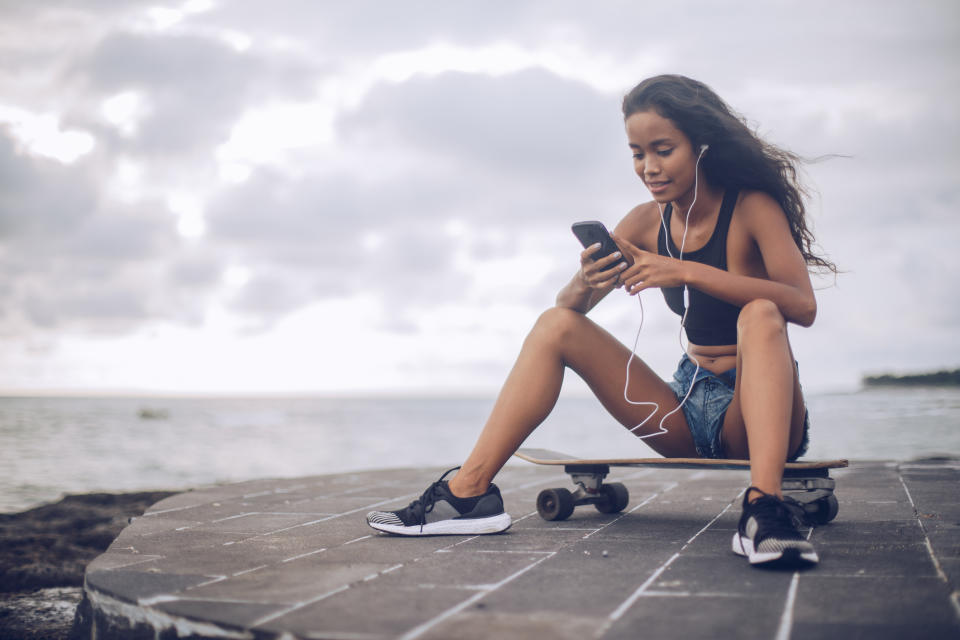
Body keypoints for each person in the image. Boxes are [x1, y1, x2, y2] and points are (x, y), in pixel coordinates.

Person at [366, 74, 837, 568]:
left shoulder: (751, 209)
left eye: (663, 150)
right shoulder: (644, 221)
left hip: (759, 411)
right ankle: (467, 494)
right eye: (638, 154)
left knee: (762, 312)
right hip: (686, 405)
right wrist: (586, 280)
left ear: (701, 146)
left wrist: (685, 271)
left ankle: (763, 511)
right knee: (555, 324)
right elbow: (568, 313)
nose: (649, 168)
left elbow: (801, 307)